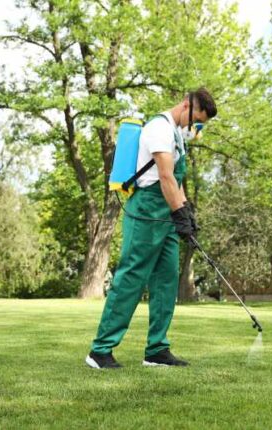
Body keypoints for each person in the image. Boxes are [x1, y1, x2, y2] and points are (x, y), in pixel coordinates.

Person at [86, 88, 218, 369]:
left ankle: (156, 350)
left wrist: (186, 213)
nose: (196, 127)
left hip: (167, 213)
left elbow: (177, 181)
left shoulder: (177, 135)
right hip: (146, 211)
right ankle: (100, 350)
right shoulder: (158, 128)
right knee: (131, 277)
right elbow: (166, 175)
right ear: (186, 106)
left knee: (166, 280)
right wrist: (178, 212)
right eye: (197, 121)